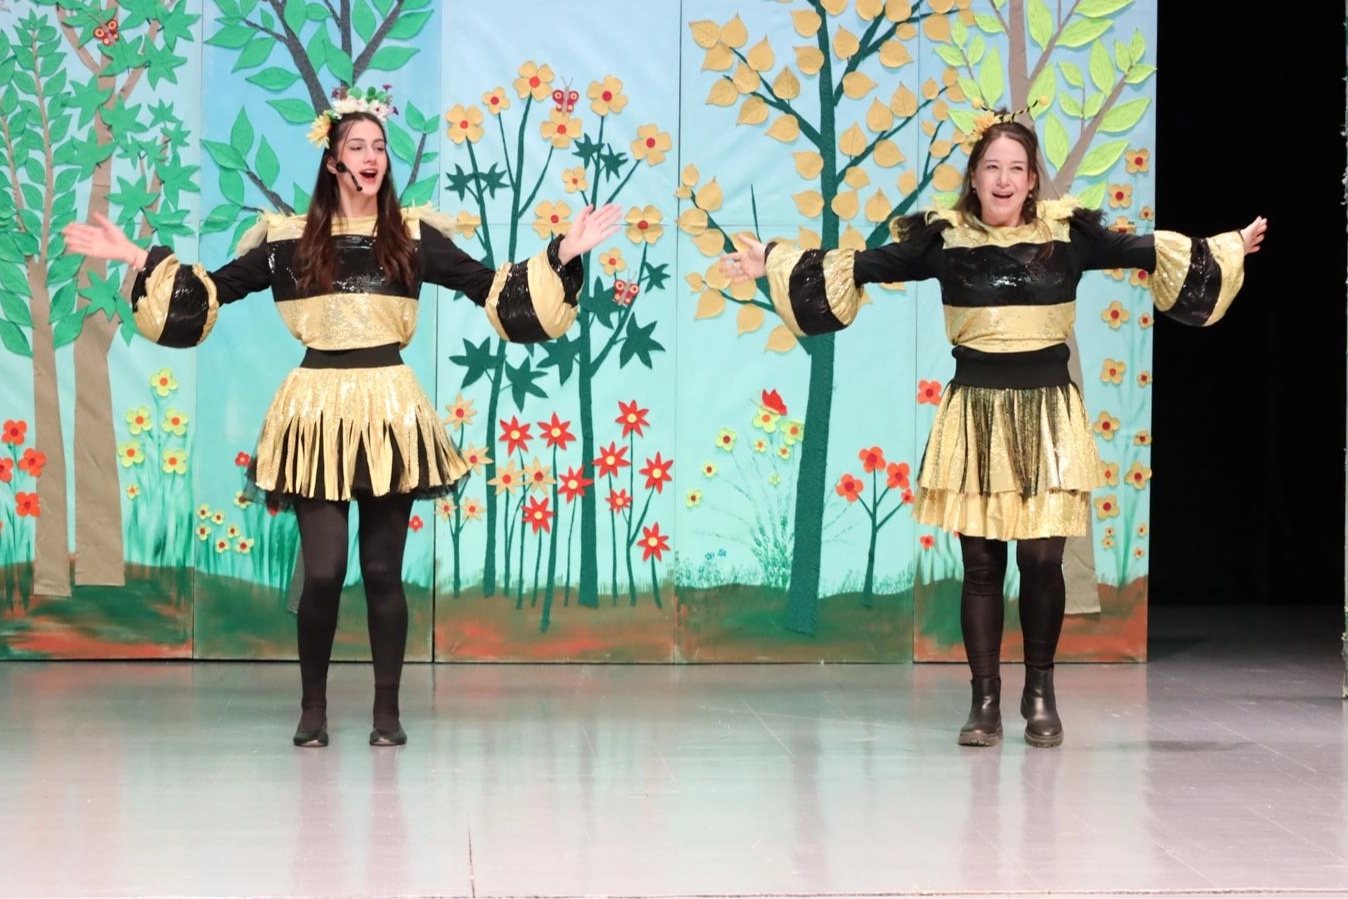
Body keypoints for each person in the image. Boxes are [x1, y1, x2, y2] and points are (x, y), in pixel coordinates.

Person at [62, 85, 622, 748]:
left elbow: (494, 290)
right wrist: (139, 259)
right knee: (324, 571)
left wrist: (562, 254)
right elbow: (210, 294)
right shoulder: (288, 243)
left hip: (390, 413)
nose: (371, 156)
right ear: (333, 161)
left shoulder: (412, 237)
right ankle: (313, 708)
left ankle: (387, 713)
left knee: (383, 571)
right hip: (316, 413)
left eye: (379, 146)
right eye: (357, 146)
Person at [719, 104, 1267, 748]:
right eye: (991, 168)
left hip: (1047, 415)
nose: (1003, 180)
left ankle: (1040, 694)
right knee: (981, 565)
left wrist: (1228, 247)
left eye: (1016, 169)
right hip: (974, 413)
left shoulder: (1068, 235)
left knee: (1042, 560)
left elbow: (1148, 249)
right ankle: (984, 702)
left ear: (1031, 180)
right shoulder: (944, 239)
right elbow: (863, 265)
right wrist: (772, 260)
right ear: (974, 178)